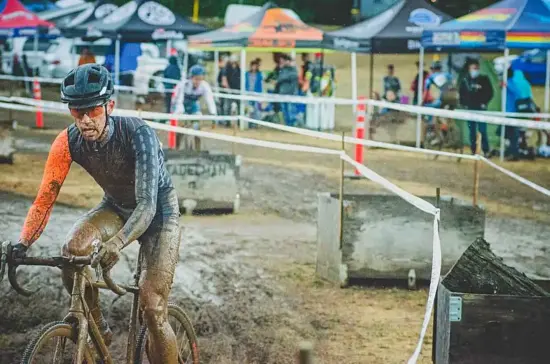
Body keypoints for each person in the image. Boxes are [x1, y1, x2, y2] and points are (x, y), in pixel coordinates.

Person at [10, 64, 181, 364]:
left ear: (110, 105)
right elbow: (45, 199)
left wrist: (116, 243)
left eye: (93, 111)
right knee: (71, 251)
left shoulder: (138, 133)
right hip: (115, 205)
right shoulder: (66, 142)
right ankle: (99, 327)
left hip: (158, 212)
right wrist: (22, 243)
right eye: (78, 113)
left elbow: (147, 205)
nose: (86, 120)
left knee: (152, 308)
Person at [172, 64, 217, 150]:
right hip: (181, 105)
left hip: (193, 106)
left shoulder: (204, 86)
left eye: (200, 79)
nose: (198, 82)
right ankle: (176, 148)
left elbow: (210, 100)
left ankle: (198, 150)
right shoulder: (183, 85)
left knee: (197, 128)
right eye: (196, 79)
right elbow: (178, 101)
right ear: (191, 78)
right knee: (181, 128)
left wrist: (213, 114)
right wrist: (180, 113)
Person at [459, 59, 494, 156]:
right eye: (473, 68)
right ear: (469, 69)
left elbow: (490, 93)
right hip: (470, 109)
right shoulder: (465, 80)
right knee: (472, 131)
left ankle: (486, 150)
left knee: (482, 130)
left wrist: (484, 103)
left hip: (481, 109)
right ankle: (474, 151)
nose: (474, 70)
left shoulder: (484, 79)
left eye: (476, 68)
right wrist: (464, 104)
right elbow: (461, 94)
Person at [504, 68, 535, 161]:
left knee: (513, 135)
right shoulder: (523, 82)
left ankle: (514, 153)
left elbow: (518, 93)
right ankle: (513, 151)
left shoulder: (511, 83)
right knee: (512, 134)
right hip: (514, 112)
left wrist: (507, 86)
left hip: (512, 112)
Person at [276, 54, 299, 126]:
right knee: (284, 110)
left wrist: (282, 78)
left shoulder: (293, 69)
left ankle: (292, 125)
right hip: (283, 93)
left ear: (287, 61)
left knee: (290, 110)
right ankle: (287, 125)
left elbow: (284, 78)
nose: (281, 63)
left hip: (291, 94)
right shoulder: (283, 70)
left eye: (282, 61)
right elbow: (279, 79)